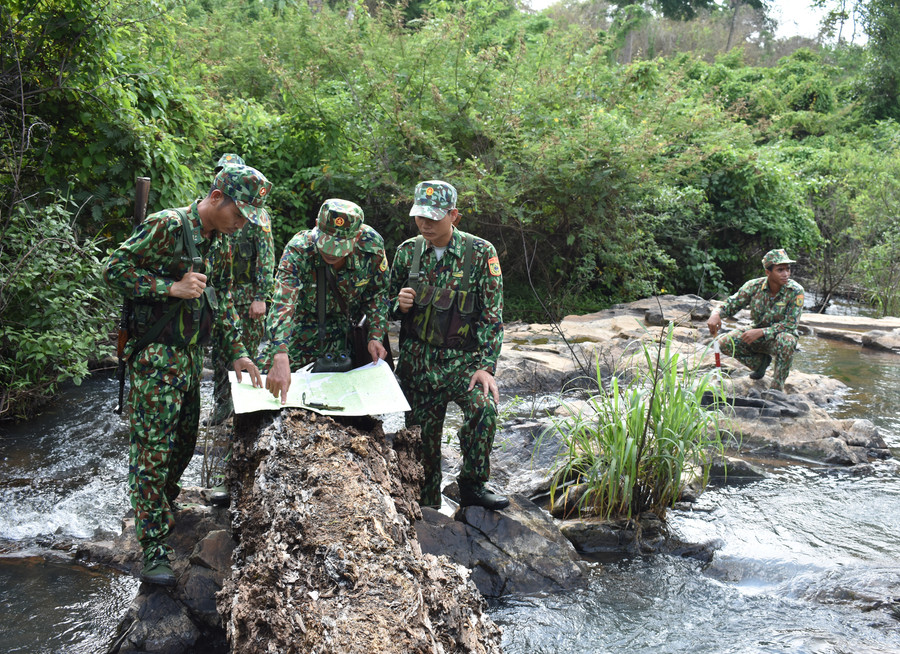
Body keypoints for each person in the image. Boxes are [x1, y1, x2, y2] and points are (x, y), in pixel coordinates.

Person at [103, 163, 270, 586]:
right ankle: (154, 545)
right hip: (156, 359)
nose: (242, 223)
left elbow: (220, 300)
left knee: (180, 446)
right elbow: (113, 269)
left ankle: (163, 504)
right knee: (152, 453)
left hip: (191, 360)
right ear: (217, 198)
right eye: (239, 212)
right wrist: (169, 287)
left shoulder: (219, 241)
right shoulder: (167, 225)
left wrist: (238, 354)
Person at [390, 180, 508, 511]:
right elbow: (378, 308)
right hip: (418, 368)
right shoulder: (407, 253)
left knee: (483, 408)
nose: (424, 225)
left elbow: (492, 316)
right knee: (421, 449)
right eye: (419, 217)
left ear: (454, 216)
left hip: (464, 365)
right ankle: (425, 507)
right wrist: (396, 305)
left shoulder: (481, 253)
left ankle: (472, 485)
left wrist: (486, 367)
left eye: (433, 218)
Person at [264, 199, 390, 403]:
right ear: (316, 224)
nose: (331, 252)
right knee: (266, 383)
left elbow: (378, 293)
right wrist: (279, 353)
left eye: (340, 246)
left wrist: (375, 335)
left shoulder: (371, 246)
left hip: (348, 330)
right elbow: (282, 303)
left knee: (356, 401)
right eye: (327, 243)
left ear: (357, 235)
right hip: (303, 328)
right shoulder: (299, 250)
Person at [209, 154, 275, 426]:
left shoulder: (257, 218)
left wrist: (261, 297)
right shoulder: (214, 215)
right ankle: (223, 406)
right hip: (222, 298)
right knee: (219, 354)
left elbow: (267, 257)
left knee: (245, 353)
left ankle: (246, 412)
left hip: (248, 298)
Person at [707, 248, 805, 391]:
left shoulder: (796, 291)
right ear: (768, 272)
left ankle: (777, 387)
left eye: (788, 269)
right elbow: (731, 304)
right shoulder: (754, 286)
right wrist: (716, 313)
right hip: (757, 330)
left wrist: (762, 332)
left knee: (787, 340)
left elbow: (790, 324)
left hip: (779, 336)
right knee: (725, 343)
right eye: (780, 270)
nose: (786, 274)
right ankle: (760, 364)